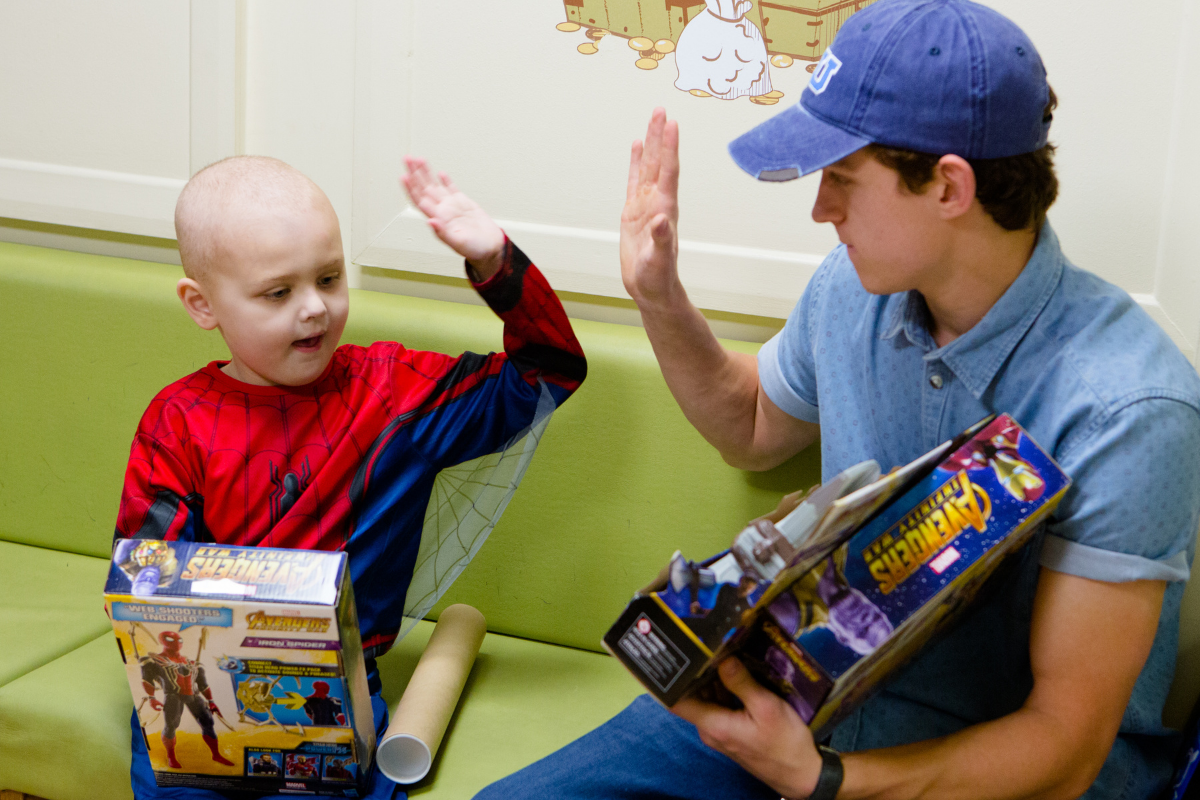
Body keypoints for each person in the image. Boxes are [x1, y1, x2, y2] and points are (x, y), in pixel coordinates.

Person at [475, 1, 1200, 798]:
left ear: (950, 187)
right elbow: (752, 427)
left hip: (966, 771)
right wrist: (658, 296)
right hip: (795, 708)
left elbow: (1065, 749)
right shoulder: (853, 290)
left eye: (844, 178)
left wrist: (822, 779)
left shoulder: (1130, 409)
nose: (821, 208)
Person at [114, 154, 586, 799]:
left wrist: (494, 264)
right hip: (203, 693)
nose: (314, 309)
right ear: (203, 304)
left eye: (330, 278)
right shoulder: (178, 421)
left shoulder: (395, 396)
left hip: (334, 694)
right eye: (278, 292)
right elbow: (146, 578)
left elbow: (549, 374)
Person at [140, 630, 233, 770]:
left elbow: (203, 685)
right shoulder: (153, 660)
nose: (177, 643)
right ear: (163, 641)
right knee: (171, 726)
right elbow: (147, 680)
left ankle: (216, 754)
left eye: (179, 640)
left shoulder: (193, 663)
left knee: (208, 723)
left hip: (194, 696)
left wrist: (211, 701)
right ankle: (171, 757)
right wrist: (152, 698)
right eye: (171, 640)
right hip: (173, 696)